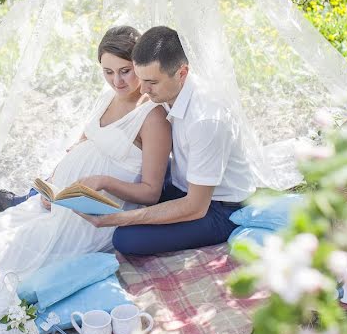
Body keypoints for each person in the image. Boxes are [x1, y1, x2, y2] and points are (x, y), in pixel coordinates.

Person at [0, 26, 171, 275]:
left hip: (92, 218)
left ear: (139, 65)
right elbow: (82, 144)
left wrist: (104, 181)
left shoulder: (153, 117)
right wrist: (53, 184)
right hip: (62, 200)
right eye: (108, 72)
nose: (117, 81)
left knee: (12, 253)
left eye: (125, 71)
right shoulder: (106, 97)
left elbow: (151, 193)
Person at [77, 25, 256, 255]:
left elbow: (195, 207)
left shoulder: (206, 120)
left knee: (126, 238)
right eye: (140, 78)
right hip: (182, 181)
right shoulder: (167, 87)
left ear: (182, 73)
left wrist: (126, 218)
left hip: (218, 208)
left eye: (151, 82)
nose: (143, 89)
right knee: (130, 179)